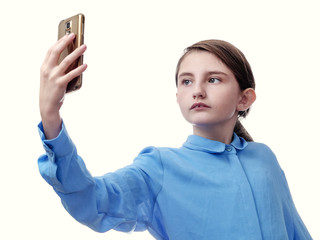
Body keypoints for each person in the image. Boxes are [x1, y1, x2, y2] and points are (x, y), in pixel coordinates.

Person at [38, 33, 312, 239]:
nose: (198, 90)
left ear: (244, 98)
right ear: (178, 96)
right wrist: (51, 116)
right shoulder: (159, 167)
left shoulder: (263, 158)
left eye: (213, 79)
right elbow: (90, 202)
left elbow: (296, 231)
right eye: (187, 81)